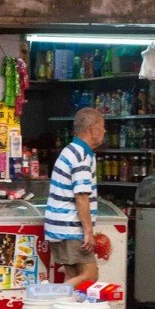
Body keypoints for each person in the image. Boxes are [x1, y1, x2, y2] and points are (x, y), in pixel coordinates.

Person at [45, 107, 106, 288]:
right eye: (103, 126)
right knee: (89, 275)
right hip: (71, 227)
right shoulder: (81, 155)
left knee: (74, 277)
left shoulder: (71, 150)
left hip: (59, 226)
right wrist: (88, 232)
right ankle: (49, 296)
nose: (105, 131)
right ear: (93, 129)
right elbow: (81, 196)